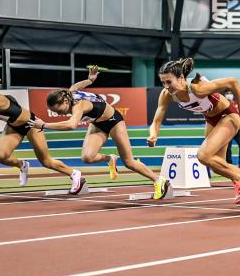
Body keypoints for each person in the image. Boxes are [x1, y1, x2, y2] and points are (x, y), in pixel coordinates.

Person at [29, 65, 169, 199]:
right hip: (97, 123)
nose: (59, 114)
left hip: (114, 121)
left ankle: (159, 180)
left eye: (59, 110)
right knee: (87, 157)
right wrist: (89, 80)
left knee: (128, 162)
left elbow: (71, 124)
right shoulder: (69, 93)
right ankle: (110, 158)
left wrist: (44, 125)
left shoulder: (78, 105)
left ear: (65, 101)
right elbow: (78, 86)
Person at [149, 57, 240, 204]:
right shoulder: (166, 94)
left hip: (228, 115)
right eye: (163, 82)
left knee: (203, 155)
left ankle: (239, 178)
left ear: (181, 78)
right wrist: (153, 135)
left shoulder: (197, 88)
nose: (166, 86)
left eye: (169, 82)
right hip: (211, 119)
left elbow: (233, 81)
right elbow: (156, 120)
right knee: (216, 165)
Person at [223, 89, 240, 168]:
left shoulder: (238, 104)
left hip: (238, 129)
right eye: (227, 93)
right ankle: (229, 165)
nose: (229, 95)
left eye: (230, 93)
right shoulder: (223, 105)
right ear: (225, 95)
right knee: (227, 148)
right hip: (228, 129)